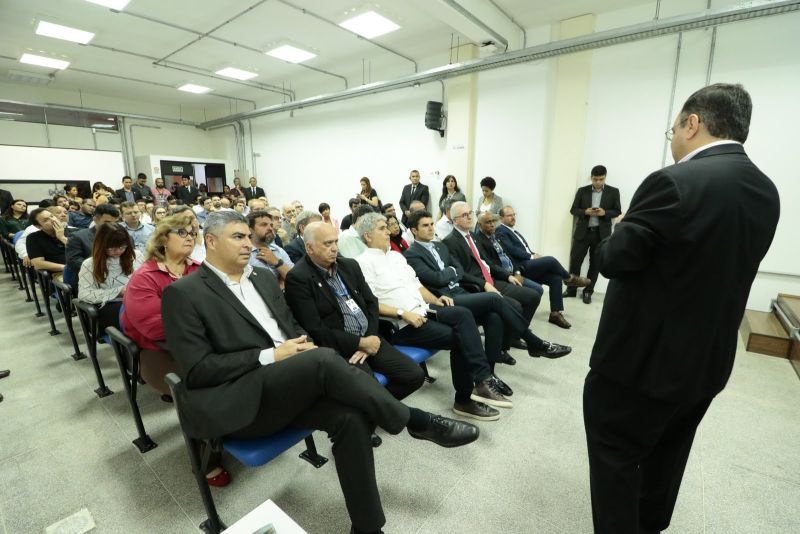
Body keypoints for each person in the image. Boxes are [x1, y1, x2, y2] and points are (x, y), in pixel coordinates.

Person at [162, 211, 478, 533]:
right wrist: (272, 355)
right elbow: (198, 371)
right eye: (238, 237)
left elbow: (296, 327)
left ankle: (368, 528)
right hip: (243, 400)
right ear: (211, 241)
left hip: (292, 384)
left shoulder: (262, 278)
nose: (249, 243)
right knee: (323, 360)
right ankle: (417, 421)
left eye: (248, 236)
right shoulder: (184, 293)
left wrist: (304, 346)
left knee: (350, 418)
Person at [583, 83, 780, 534]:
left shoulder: (671, 182)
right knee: (668, 455)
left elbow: (612, 260)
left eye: (673, 127)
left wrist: (622, 224)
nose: (672, 138)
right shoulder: (765, 190)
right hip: (706, 363)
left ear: (692, 124)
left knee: (615, 457)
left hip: (639, 367)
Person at [354, 212, 512, 420]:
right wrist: (403, 313)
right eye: (382, 228)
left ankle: (482, 380)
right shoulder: (362, 263)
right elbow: (371, 303)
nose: (388, 231)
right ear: (367, 235)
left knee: (464, 315)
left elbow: (417, 285)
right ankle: (466, 398)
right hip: (402, 324)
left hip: (424, 310)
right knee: (460, 338)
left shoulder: (395, 256)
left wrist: (436, 300)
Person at [285, 221, 426, 402]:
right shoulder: (298, 278)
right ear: (309, 248)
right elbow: (315, 329)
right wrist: (359, 343)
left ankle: (377, 411)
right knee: (370, 389)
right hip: (340, 348)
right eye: (327, 244)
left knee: (415, 375)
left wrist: (370, 338)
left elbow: (371, 303)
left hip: (370, 336)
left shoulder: (349, 266)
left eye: (335, 242)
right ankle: (378, 410)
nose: (335, 248)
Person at [405, 210, 571, 362]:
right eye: (425, 226)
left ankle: (490, 370)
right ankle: (534, 342)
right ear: (413, 230)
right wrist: (451, 271)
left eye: (431, 224)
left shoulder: (440, 246)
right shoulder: (411, 254)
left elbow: (460, 270)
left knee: (494, 316)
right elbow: (436, 279)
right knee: (494, 298)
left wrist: (450, 272)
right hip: (445, 299)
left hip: (461, 291)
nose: (430, 228)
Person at [444, 201, 542, 337]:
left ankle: (514, 335)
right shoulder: (449, 241)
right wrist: (484, 284)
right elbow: (461, 273)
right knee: (516, 305)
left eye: (470, 213)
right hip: (478, 286)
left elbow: (488, 262)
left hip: (492, 280)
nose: (469, 217)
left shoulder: (473, 236)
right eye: (464, 215)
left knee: (533, 296)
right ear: (455, 220)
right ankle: (510, 340)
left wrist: (507, 275)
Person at [492, 208, 591, 328]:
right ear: (501, 218)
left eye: (514, 215)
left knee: (555, 278)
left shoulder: (513, 231)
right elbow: (512, 250)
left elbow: (523, 249)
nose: (513, 217)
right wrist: (532, 256)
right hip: (521, 266)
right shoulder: (500, 231)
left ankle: (555, 313)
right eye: (509, 215)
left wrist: (533, 254)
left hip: (527, 262)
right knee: (550, 260)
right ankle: (569, 278)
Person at [567, 164, 622, 304]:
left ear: (605, 178)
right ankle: (571, 290)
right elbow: (573, 210)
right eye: (595, 179)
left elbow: (617, 211)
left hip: (601, 234)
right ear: (591, 177)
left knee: (596, 264)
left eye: (601, 179)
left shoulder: (613, 192)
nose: (598, 182)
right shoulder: (582, 191)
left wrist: (605, 213)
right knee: (575, 261)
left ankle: (588, 292)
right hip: (583, 233)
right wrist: (585, 211)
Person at [78, 222, 143, 331]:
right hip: (111, 306)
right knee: (136, 315)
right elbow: (84, 294)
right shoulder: (90, 264)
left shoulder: (136, 255)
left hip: (137, 301)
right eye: (112, 249)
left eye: (122, 247)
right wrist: (119, 291)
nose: (118, 251)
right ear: (101, 245)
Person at [65, 204, 121, 290]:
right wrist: (103, 268)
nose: (113, 226)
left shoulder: (122, 236)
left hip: (119, 278)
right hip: (91, 279)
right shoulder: (78, 237)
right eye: (108, 222)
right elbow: (73, 261)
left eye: (116, 222)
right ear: (95, 219)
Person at [247, 210, 293, 284]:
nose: (270, 228)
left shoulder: (278, 250)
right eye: (264, 225)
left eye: (271, 225)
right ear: (250, 230)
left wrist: (277, 262)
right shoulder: (244, 253)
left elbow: (294, 278)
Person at [25, 208, 67, 276]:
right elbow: (38, 263)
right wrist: (66, 268)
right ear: (38, 226)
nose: (53, 220)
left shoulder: (73, 232)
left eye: (52, 216)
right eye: (46, 220)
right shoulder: (33, 238)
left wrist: (62, 238)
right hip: (58, 273)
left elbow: (83, 252)